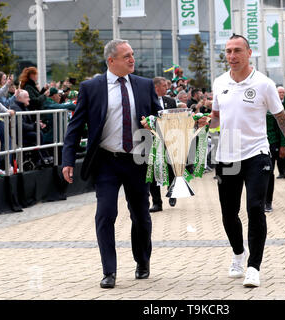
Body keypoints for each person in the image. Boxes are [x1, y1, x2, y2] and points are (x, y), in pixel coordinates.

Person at [62, 39, 161, 289]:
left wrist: (154, 127)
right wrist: (68, 160)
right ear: (111, 61)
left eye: (133, 55)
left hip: (138, 160)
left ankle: (142, 260)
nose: (132, 60)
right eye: (126, 56)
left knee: (141, 216)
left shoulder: (145, 85)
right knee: (105, 214)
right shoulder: (91, 87)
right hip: (106, 161)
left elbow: (160, 120)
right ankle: (109, 271)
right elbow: (75, 127)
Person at [210, 34, 285, 287]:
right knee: (228, 213)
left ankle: (254, 266)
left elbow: (282, 120)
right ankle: (239, 253)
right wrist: (200, 123)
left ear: (249, 53)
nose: (232, 56)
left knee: (255, 208)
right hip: (227, 153)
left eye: (237, 50)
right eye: (228, 51)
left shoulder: (264, 84)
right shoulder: (219, 82)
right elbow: (216, 118)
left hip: (257, 153)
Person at [149, 77, 177, 213]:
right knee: (153, 172)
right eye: (165, 86)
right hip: (152, 140)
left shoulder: (170, 101)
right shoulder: (146, 101)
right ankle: (156, 202)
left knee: (171, 168)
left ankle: (172, 192)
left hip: (170, 140)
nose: (167, 88)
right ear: (156, 87)